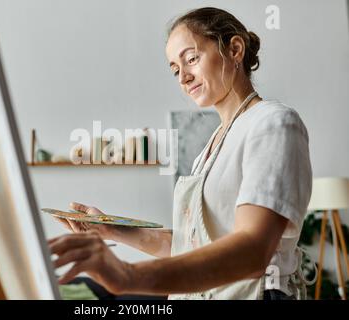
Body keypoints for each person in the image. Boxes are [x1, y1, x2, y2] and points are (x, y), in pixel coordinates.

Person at [48, 7, 313, 300]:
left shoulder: (273, 123)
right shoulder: (211, 147)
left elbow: (253, 251)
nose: (183, 78)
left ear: (235, 49)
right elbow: (190, 246)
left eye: (191, 59)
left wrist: (128, 275)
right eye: (175, 69)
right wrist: (110, 229)